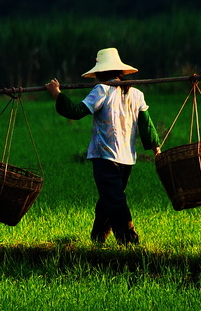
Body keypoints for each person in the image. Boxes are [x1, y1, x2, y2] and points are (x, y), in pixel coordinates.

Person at [45, 48, 161, 246]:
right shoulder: (137, 94)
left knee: (114, 200)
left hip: (105, 157)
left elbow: (76, 111)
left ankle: (129, 241)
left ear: (100, 73)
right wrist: (155, 148)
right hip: (127, 159)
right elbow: (146, 124)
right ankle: (98, 238)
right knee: (109, 198)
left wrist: (57, 94)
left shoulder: (102, 90)